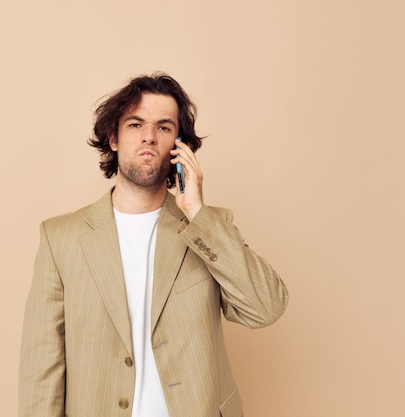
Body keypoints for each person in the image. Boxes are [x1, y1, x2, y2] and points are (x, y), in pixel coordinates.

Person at [18, 72, 289, 417]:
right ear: (113, 139)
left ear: (180, 145)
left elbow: (266, 308)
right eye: (135, 124)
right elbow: (41, 370)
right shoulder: (61, 238)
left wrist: (197, 212)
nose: (149, 137)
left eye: (163, 127)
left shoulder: (208, 228)